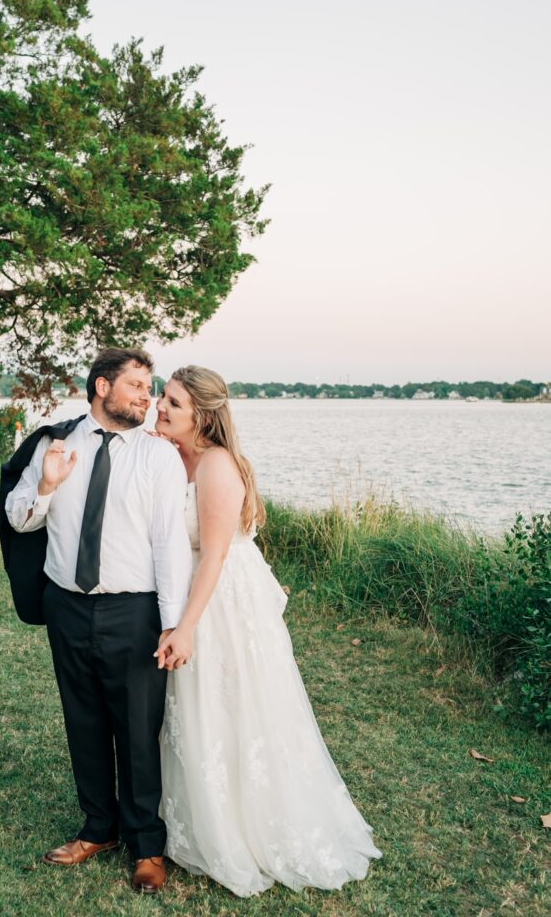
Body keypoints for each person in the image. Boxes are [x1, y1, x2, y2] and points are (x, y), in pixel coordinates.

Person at [153, 366, 382, 897]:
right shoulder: (170, 453)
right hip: (190, 588)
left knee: (233, 703)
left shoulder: (216, 466)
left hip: (221, 600)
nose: (161, 408)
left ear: (203, 417)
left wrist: (186, 625)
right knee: (195, 707)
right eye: (163, 398)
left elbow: (212, 554)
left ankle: (247, 823)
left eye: (174, 404)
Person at [5, 348, 191, 894]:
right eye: (135, 384)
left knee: (137, 727)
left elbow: (169, 544)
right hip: (66, 603)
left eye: (150, 386)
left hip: (133, 609)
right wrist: (47, 484)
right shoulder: (54, 444)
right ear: (101, 387)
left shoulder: (159, 458)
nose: (146, 396)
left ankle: (147, 845)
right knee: (82, 720)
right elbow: (19, 520)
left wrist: (173, 622)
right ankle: (97, 828)